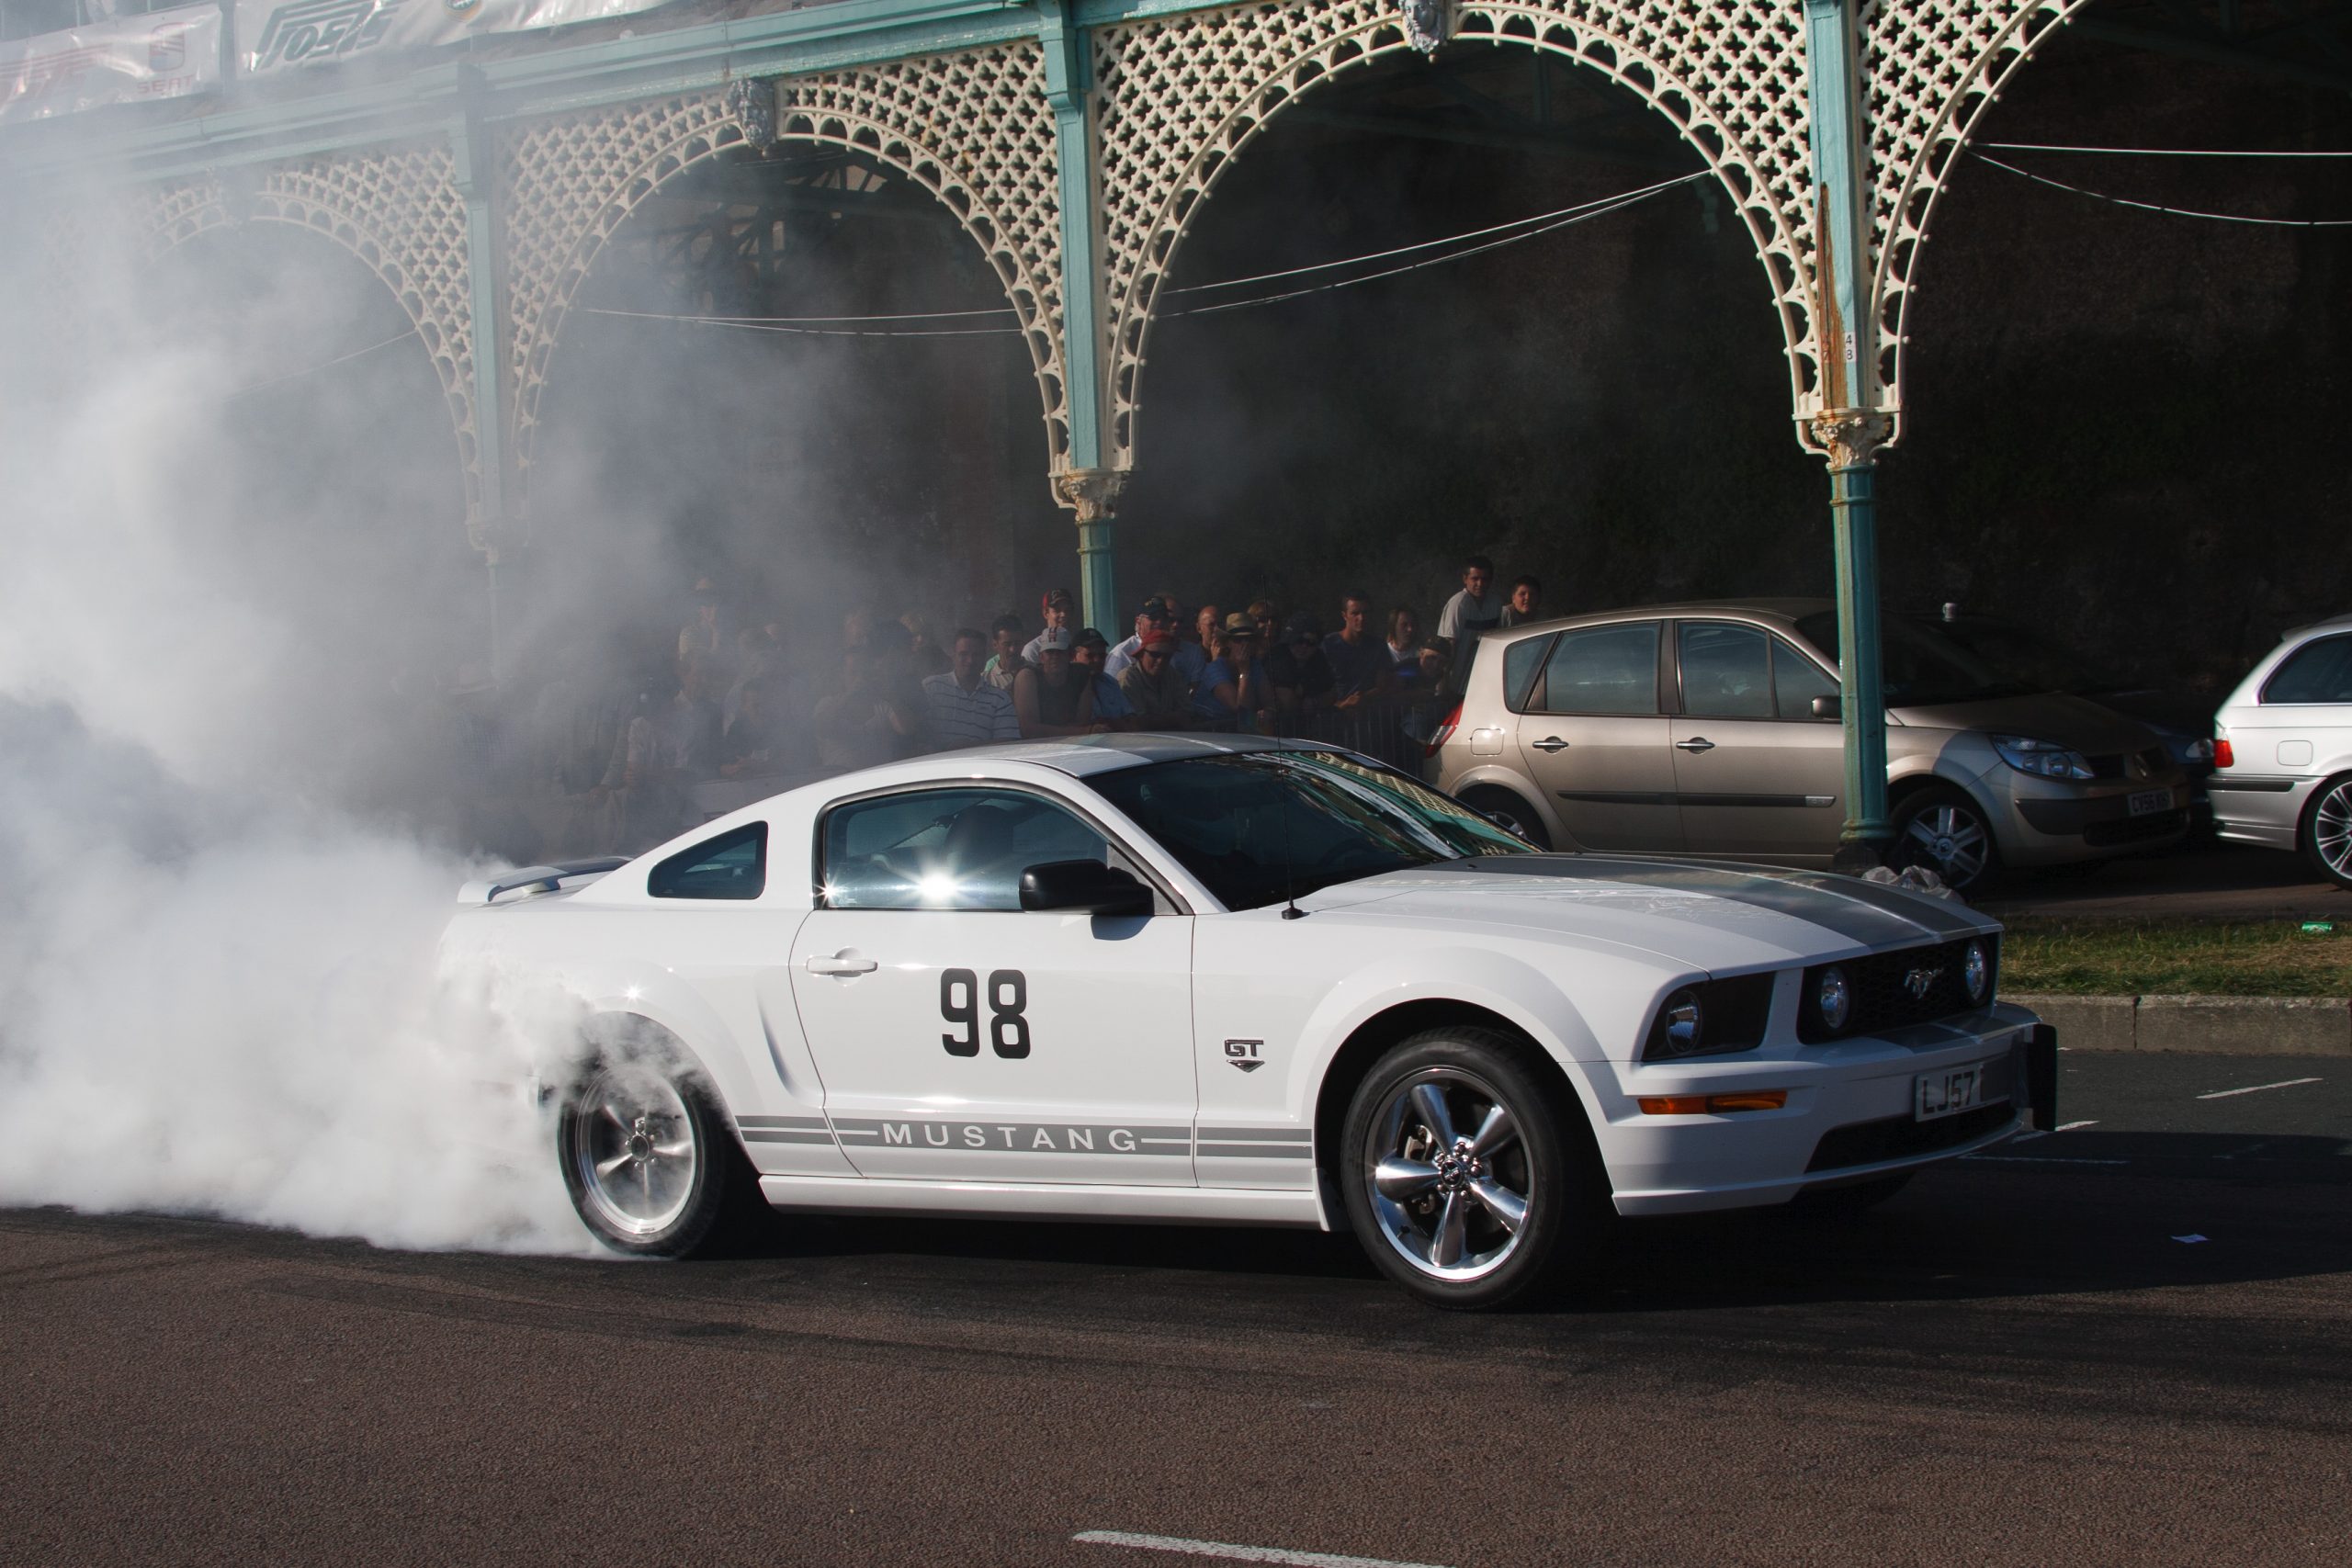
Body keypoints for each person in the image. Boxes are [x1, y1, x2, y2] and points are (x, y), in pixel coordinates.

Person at [813, 643, 917, 769]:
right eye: (853, 673)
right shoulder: (826, 704)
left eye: (864, 673)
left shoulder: (883, 705)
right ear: (841, 674)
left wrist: (891, 696)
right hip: (840, 779)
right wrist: (849, 695)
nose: (860, 679)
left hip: (880, 778)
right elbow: (822, 729)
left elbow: (907, 729)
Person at [922, 626, 1021, 748]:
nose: (970, 661)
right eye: (963, 654)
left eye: (976, 655)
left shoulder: (1000, 699)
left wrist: (968, 747)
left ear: (985, 657)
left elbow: (1008, 743)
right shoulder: (932, 688)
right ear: (953, 655)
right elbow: (917, 733)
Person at [1013, 628, 1102, 738]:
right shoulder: (1027, 677)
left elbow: (1083, 722)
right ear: (1041, 657)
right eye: (1050, 652)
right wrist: (1085, 731)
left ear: (1071, 655)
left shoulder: (1081, 675)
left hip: (1072, 743)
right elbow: (1028, 730)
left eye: (1060, 651)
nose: (1055, 656)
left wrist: (1083, 730)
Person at [1193, 613, 1272, 731]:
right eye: (1238, 640)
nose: (1245, 644)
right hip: (1209, 731)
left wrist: (1268, 713)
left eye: (1249, 639)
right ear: (1228, 643)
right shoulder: (1214, 669)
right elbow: (1240, 709)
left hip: (1236, 731)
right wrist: (1244, 672)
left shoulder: (1255, 665)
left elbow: (1270, 702)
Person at [1434, 554, 1502, 689]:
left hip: (1484, 677)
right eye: (1475, 579)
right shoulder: (1458, 604)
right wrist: (1444, 680)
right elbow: (1449, 644)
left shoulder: (1495, 603)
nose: (1480, 584)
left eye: (1484, 579)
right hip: (1456, 679)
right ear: (1465, 579)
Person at [1323, 592, 1395, 708]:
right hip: (1334, 712)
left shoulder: (1378, 646)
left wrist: (1363, 698)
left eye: (1365, 613)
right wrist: (1341, 705)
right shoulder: (1328, 645)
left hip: (1369, 711)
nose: (1361, 618)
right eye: (1355, 613)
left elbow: (1383, 686)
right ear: (1344, 615)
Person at [1117, 629, 1195, 729]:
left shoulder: (1172, 674)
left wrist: (1157, 720)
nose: (1161, 660)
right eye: (1155, 655)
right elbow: (1136, 722)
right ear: (1141, 655)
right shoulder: (1128, 677)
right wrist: (1173, 718)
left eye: (1167, 656)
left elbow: (1187, 713)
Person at [1265, 612, 1336, 720]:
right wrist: (1307, 703)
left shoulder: (1319, 658)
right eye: (1299, 640)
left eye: (1311, 642)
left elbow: (1332, 694)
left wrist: (1314, 702)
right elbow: (1287, 701)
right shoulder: (1278, 657)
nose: (1304, 646)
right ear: (1289, 639)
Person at [1073, 628, 1138, 731]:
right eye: (1090, 655)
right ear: (1074, 656)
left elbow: (1132, 721)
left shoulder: (1110, 683)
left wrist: (1110, 723)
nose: (1097, 660)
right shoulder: (1067, 685)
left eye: (1102, 656)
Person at [1104, 596, 1175, 678]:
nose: (1160, 622)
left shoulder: (1171, 648)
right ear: (1138, 620)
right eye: (1153, 617)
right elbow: (1110, 684)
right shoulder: (1121, 653)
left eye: (1164, 617)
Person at [677, 576, 725, 671]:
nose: (715, 608)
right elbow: (704, 669)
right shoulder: (689, 634)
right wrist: (716, 631)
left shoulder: (733, 632)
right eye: (708, 601)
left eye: (716, 600)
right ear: (698, 608)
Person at [1021, 588, 1078, 664]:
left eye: (1067, 610)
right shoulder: (1033, 649)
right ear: (1045, 613)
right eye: (1057, 610)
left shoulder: (1079, 645)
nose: (1063, 615)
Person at [984, 614, 1027, 693]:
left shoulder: (1038, 674)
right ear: (995, 644)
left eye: (1017, 643)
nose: (1013, 649)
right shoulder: (985, 682)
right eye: (1007, 644)